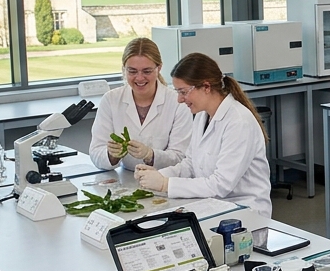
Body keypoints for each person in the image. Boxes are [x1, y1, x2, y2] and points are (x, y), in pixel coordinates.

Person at [133, 53, 272, 216]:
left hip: (245, 212)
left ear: (206, 87)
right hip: (213, 206)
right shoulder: (202, 115)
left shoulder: (239, 122)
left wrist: (166, 184)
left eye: (183, 92)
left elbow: (220, 185)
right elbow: (190, 165)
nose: (179, 99)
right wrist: (157, 175)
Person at [88, 37, 193, 172]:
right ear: (124, 69)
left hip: (165, 180)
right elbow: (96, 152)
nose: (139, 78)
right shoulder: (111, 100)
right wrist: (111, 156)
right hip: (125, 180)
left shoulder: (178, 103)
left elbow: (181, 157)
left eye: (147, 71)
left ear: (159, 68)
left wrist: (151, 155)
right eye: (132, 71)